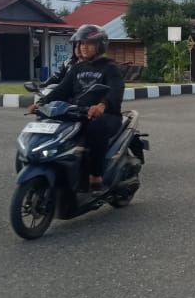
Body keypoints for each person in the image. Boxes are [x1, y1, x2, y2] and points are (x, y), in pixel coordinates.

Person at [28, 24, 124, 192]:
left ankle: (96, 177)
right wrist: (42, 103)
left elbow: (116, 90)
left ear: (100, 45)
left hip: (106, 116)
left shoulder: (110, 67)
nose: (83, 47)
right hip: (80, 112)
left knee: (96, 128)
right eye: (80, 43)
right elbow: (62, 89)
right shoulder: (78, 68)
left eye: (88, 43)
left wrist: (102, 105)